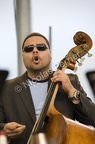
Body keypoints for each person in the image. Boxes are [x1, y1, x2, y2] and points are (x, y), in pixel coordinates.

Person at [0, 32, 95, 144]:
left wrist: (72, 91)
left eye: (41, 47)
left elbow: (92, 120)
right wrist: (4, 129)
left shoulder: (71, 81)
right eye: (29, 49)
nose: (35, 50)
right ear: (22, 56)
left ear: (50, 53)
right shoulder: (6, 88)